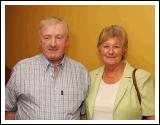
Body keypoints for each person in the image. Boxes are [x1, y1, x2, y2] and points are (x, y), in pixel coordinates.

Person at [5, 16, 90, 120]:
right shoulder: (21, 70)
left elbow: (83, 115)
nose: (53, 44)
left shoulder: (82, 73)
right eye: (47, 37)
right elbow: (9, 109)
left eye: (59, 37)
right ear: (40, 41)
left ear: (67, 41)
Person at [86, 25, 155, 120]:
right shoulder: (89, 77)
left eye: (116, 46)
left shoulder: (141, 78)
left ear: (124, 50)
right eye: (106, 46)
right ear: (99, 49)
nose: (110, 51)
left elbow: (152, 118)